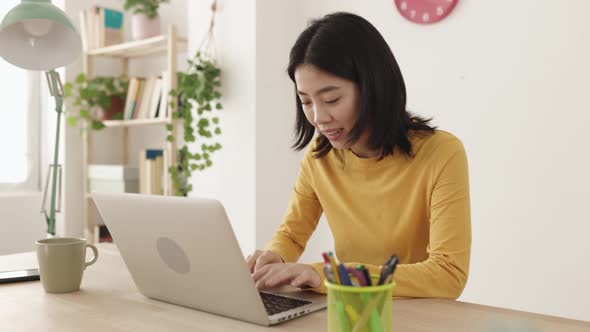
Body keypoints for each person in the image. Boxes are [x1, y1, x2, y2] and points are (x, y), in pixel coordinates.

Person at [247, 12, 471, 299]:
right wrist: (274, 259)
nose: (318, 117)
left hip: (418, 315)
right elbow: (291, 234)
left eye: (331, 100)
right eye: (305, 101)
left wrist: (328, 275)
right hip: (351, 311)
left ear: (373, 86)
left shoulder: (441, 153)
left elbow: (447, 275)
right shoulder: (319, 160)